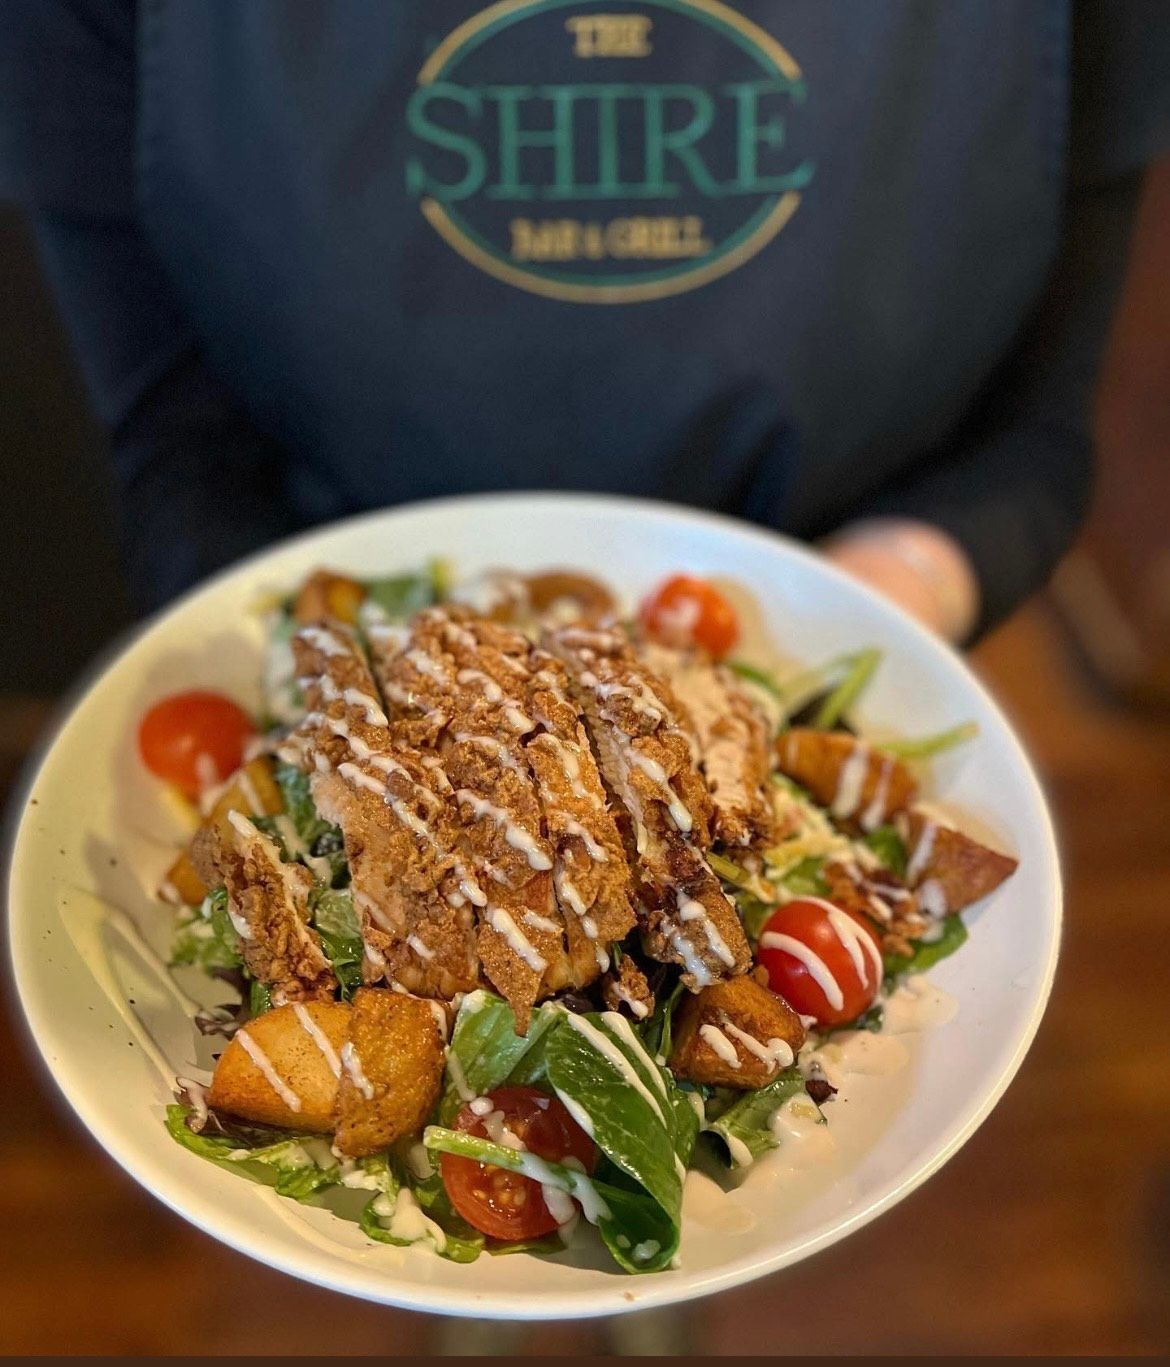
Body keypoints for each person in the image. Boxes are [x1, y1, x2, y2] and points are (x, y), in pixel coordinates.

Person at [1, 0, 1167, 645]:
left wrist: (865, 615)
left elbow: (1032, 435)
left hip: (837, 683)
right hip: (327, 653)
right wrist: (341, 682)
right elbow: (177, 443)